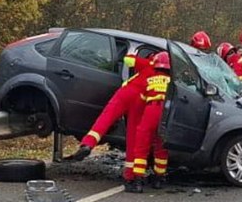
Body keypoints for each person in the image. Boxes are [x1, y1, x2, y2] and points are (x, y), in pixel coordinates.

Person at [67, 52, 154, 181]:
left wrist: (133, 54)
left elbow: (129, 60)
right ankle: (129, 175)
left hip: (127, 92)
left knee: (105, 118)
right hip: (141, 101)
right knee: (132, 137)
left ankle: (88, 144)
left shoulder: (147, 64)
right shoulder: (165, 76)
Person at [129, 51, 171, 193]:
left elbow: (140, 101)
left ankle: (138, 182)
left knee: (141, 146)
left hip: (151, 111)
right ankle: (159, 179)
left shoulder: (150, 79)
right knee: (161, 147)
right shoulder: (172, 82)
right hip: (165, 114)